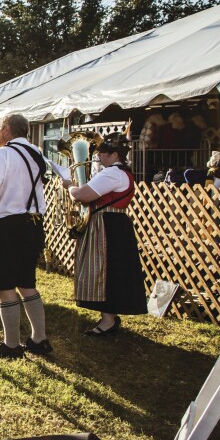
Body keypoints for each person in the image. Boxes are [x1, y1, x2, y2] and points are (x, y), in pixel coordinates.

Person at [0, 114, 51, 359]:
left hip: (8, 226)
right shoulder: (38, 154)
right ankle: (39, 339)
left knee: (4, 287)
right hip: (34, 224)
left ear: (5, 130)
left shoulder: (2, 154)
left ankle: (11, 345)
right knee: (27, 283)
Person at [64, 133, 146, 336]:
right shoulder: (118, 172)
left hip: (106, 226)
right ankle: (108, 317)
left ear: (115, 154)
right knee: (107, 271)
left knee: (105, 272)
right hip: (112, 224)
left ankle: (108, 321)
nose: (98, 156)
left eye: (103, 153)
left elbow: (83, 195)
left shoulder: (113, 174)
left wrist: (69, 186)